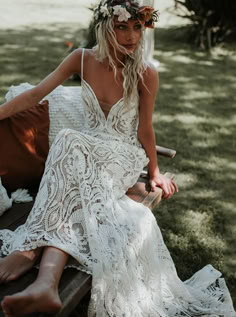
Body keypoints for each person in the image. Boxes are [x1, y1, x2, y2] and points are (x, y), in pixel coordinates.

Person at [0, 0, 235, 316]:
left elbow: (146, 129)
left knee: (69, 143)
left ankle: (29, 250)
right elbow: (36, 93)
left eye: (137, 27)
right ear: (104, 27)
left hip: (121, 158)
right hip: (85, 152)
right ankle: (47, 284)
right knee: (75, 194)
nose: (130, 36)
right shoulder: (80, 59)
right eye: (121, 26)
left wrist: (155, 171)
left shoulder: (145, 74)